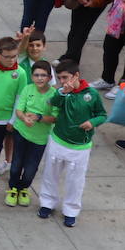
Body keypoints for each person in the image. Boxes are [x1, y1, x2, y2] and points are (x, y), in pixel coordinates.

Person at [37, 61, 105, 227]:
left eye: (65, 77)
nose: (62, 81)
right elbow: (52, 102)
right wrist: (62, 93)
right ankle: (47, 203)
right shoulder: (61, 92)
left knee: (75, 181)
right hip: (58, 140)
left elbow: (102, 114)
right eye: (59, 78)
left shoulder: (92, 94)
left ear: (76, 76)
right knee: (50, 174)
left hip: (80, 147)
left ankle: (71, 210)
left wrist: (92, 122)